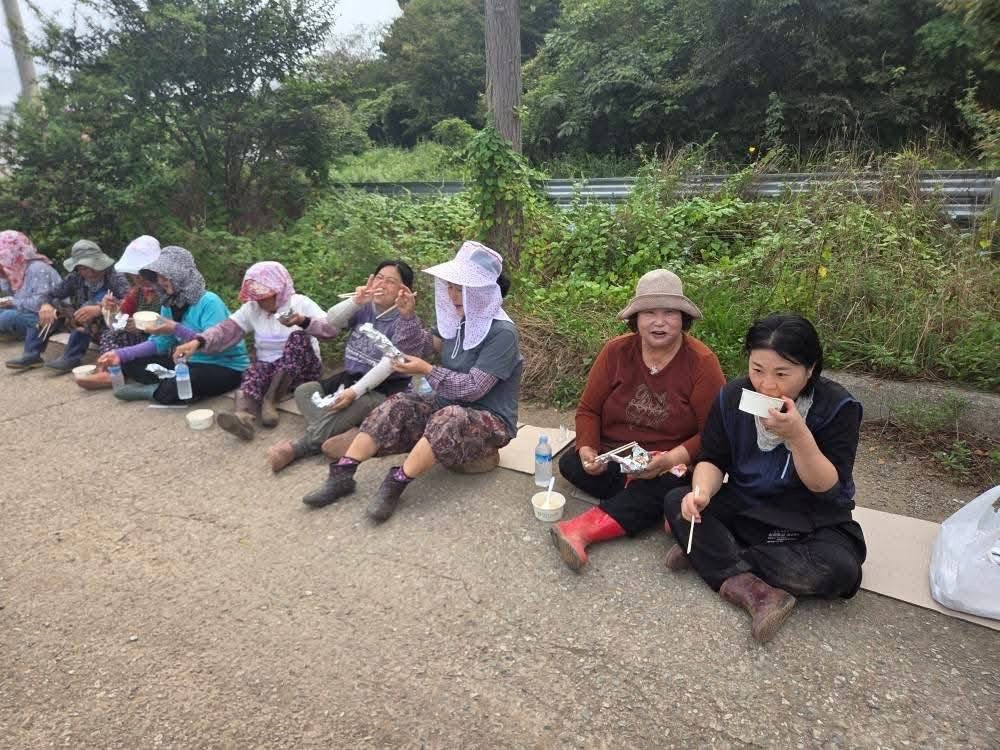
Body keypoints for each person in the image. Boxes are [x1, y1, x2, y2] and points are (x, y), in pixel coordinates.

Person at [663, 313, 866, 644]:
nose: (767, 385)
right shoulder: (732, 397)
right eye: (757, 370)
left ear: (810, 368)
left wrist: (799, 436)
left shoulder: (838, 407)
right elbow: (713, 459)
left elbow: (826, 486)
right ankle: (755, 589)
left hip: (809, 516)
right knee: (676, 500)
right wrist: (701, 493)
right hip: (746, 505)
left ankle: (712, 556)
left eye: (782, 374)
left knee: (841, 569)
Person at [300, 241, 522, 523]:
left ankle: (397, 481)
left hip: (490, 418)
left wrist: (429, 370)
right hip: (446, 403)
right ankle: (343, 472)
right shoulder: (457, 320)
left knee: (450, 416)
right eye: (451, 287)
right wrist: (407, 316)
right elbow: (420, 346)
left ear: (481, 292)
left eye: (461, 288)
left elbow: (473, 388)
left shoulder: (502, 333)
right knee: (400, 402)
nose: (453, 295)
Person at [549, 269, 726, 572]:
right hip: (619, 455)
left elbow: (714, 433)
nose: (659, 322)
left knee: (668, 486)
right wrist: (589, 450)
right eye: (649, 313)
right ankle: (658, 509)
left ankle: (580, 529)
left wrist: (670, 459)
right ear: (636, 319)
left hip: (669, 461)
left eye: (670, 312)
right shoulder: (616, 351)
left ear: (684, 318)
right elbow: (588, 410)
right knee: (572, 464)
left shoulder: (702, 363)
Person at [266, 260, 427, 470]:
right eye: (379, 278)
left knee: (359, 403)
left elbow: (389, 365)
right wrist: (357, 301)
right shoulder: (364, 308)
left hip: (383, 389)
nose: (382, 285)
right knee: (304, 391)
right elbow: (331, 322)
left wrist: (353, 392)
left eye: (391, 281)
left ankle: (298, 447)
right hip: (351, 376)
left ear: (404, 290)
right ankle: (346, 432)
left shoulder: (405, 321)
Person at [172, 261, 335, 439]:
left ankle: (271, 400)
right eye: (256, 296)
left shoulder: (301, 303)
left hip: (304, 371)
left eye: (264, 296)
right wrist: (197, 342)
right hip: (270, 369)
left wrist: (302, 321)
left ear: (279, 290)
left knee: (298, 338)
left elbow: (330, 330)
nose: (259, 301)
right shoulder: (252, 308)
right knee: (254, 369)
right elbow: (225, 330)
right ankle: (242, 416)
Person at [96, 245, 249, 403]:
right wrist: (119, 354)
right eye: (159, 277)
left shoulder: (209, 301)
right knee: (130, 362)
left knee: (191, 378)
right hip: (188, 363)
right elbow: (160, 342)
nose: (162, 282)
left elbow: (214, 344)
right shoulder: (168, 303)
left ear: (181, 275)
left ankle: (154, 391)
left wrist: (175, 328)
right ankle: (176, 388)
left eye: (166, 277)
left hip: (225, 366)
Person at [6, 239, 129, 371]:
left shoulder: (114, 275)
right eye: (84, 269)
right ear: (77, 269)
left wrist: (101, 309)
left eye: (94, 266)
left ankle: (71, 357)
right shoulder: (75, 277)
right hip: (77, 320)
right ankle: (31, 353)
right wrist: (46, 305)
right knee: (47, 311)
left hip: (108, 327)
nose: (91, 272)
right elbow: (49, 294)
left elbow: (130, 301)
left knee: (88, 308)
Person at [75, 235, 162, 390]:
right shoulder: (136, 293)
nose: (139, 278)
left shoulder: (165, 292)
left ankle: (118, 370)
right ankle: (110, 371)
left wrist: (149, 327)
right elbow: (120, 317)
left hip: (160, 340)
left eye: (143, 274)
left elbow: (175, 322)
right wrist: (112, 309)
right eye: (134, 275)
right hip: (140, 338)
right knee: (111, 333)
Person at [0, 231, 62, 343]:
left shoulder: (37, 268)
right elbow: (13, 295)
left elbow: (40, 304)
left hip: (48, 318)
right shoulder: (16, 270)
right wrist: (5, 277)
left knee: (7, 317)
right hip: (26, 311)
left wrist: (12, 302)